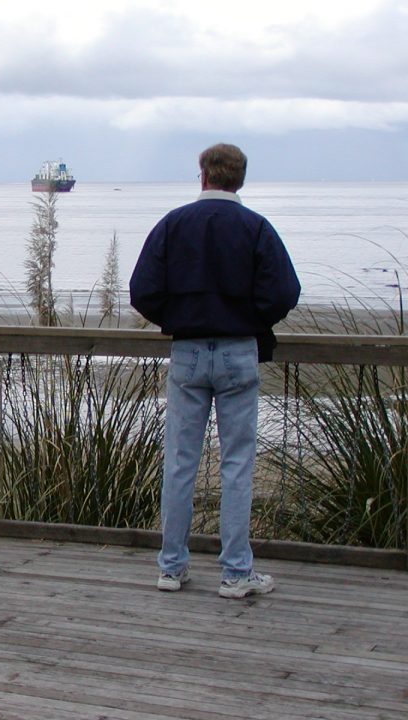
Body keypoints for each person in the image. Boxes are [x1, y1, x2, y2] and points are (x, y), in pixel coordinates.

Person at [129, 143, 300, 599]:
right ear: (239, 179)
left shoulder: (174, 224)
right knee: (237, 464)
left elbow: (142, 290)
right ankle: (236, 573)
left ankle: (171, 566)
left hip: (187, 351)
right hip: (238, 350)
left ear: (202, 175)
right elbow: (285, 291)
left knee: (181, 461)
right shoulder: (256, 228)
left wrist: (178, 316)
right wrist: (250, 317)